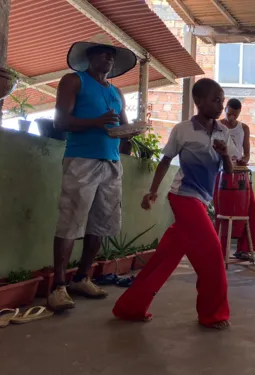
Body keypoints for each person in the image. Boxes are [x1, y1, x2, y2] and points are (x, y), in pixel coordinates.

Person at [112, 78, 237, 329]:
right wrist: (152, 192)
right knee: (212, 254)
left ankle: (130, 307)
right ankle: (213, 314)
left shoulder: (224, 133)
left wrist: (224, 154)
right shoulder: (183, 129)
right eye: (215, 100)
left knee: (166, 257)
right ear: (198, 101)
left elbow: (230, 172)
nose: (220, 105)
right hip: (183, 196)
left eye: (221, 101)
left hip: (202, 200)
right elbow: (166, 161)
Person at [48, 37, 143, 311]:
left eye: (111, 56)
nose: (108, 59)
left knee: (101, 223)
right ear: (89, 58)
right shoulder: (73, 81)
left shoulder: (116, 92)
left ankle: (82, 277)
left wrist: (132, 132)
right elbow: (60, 122)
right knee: (70, 220)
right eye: (102, 55)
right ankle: (58, 286)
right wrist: (95, 123)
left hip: (111, 162)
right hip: (81, 159)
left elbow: (121, 126)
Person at [216, 98, 255, 262]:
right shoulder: (217, 125)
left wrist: (244, 159)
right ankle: (219, 248)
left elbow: (246, 153)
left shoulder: (243, 128)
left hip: (240, 174)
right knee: (222, 211)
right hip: (222, 174)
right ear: (225, 109)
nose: (232, 118)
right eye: (230, 114)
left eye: (235, 115)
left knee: (250, 207)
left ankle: (244, 249)